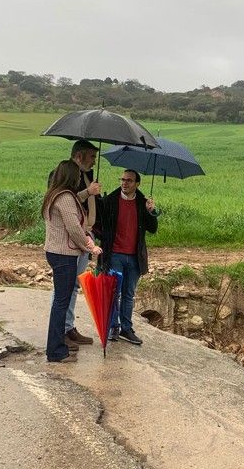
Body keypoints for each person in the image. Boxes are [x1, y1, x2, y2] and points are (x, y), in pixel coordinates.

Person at [41, 160, 102, 363]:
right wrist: (90, 247)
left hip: (56, 252)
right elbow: (74, 228)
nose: (79, 179)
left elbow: (75, 208)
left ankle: (56, 346)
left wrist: (88, 193)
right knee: (61, 301)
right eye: (77, 175)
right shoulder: (65, 197)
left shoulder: (55, 194)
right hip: (64, 255)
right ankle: (56, 351)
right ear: (71, 176)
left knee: (61, 300)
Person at [94, 167, 159, 345]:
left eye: (129, 180)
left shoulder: (142, 203)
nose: (124, 183)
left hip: (134, 257)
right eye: (122, 179)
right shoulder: (110, 201)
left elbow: (152, 229)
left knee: (129, 294)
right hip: (114, 255)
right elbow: (98, 225)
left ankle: (126, 329)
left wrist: (151, 211)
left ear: (137, 184)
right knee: (114, 293)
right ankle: (113, 327)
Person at [61, 140, 104, 347]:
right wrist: (89, 192)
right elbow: (64, 201)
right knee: (65, 286)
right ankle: (62, 330)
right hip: (73, 238)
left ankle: (69, 327)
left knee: (75, 285)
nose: (94, 161)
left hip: (88, 232)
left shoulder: (86, 175)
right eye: (91, 157)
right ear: (79, 156)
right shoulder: (64, 175)